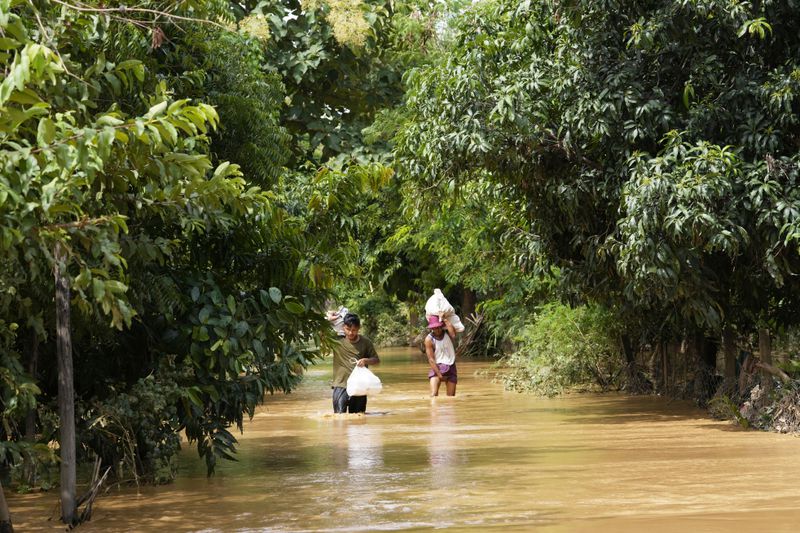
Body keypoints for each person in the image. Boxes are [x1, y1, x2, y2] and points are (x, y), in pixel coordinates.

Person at [331, 313, 380, 413]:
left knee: (358, 418)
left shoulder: (366, 342)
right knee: (339, 418)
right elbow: (320, 332)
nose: (350, 333)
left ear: (359, 328)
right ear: (343, 327)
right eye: (348, 329)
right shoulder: (336, 341)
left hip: (359, 386)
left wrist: (366, 360)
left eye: (354, 330)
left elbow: (376, 360)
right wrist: (329, 320)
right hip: (341, 385)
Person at [424, 315, 458, 396]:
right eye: (435, 328)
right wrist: (439, 374)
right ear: (432, 329)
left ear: (442, 326)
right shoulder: (429, 340)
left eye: (439, 327)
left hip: (451, 367)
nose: (438, 330)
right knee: (433, 395)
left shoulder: (448, 334)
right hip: (437, 368)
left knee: (451, 397)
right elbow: (431, 359)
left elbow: (453, 334)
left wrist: (445, 319)